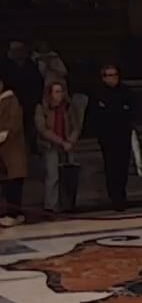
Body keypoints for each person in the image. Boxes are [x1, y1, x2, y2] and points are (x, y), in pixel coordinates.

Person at [92, 63, 140, 211]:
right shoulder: (98, 93)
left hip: (123, 135)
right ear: (103, 78)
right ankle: (114, 197)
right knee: (111, 167)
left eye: (115, 75)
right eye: (109, 75)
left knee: (122, 167)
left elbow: (132, 111)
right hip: (107, 137)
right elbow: (96, 116)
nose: (112, 78)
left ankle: (122, 194)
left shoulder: (126, 91)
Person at [34, 78, 86, 212]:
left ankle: (68, 204)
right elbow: (43, 129)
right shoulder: (41, 108)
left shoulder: (68, 107)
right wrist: (60, 141)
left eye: (61, 91)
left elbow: (76, 126)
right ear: (50, 93)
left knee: (69, 176)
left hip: (67, 144)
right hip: (51, 145)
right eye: (56, 92)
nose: (59, 94)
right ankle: (51, 206)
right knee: (53, 176)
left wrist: (70, 141)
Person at [0, 80, 25, 225]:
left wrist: (4, 134)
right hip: (2, 151)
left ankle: (14, 214)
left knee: (14, 181)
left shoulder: (11, 100)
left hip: (12, 147)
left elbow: (15, 122)